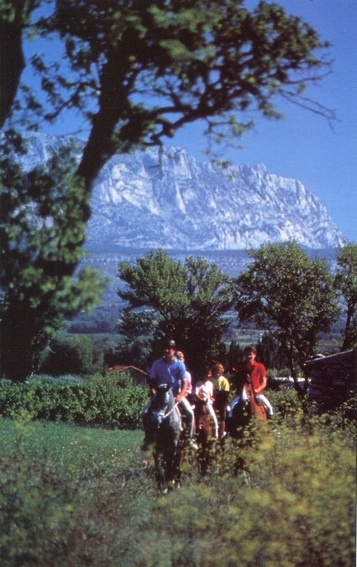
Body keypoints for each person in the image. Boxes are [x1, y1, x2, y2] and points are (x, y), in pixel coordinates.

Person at [141, 339, 198, 450]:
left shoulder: (180, 365)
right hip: (160, 394)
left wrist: (181, 395)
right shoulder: (157, 364)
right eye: (165, 348)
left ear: (173, 350)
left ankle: (189, 438)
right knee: (144, 413)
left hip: (175, 394)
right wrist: (154, 392)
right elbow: (152, 381)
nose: (166, 350)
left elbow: (184, 382)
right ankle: (148, 439)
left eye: (169, 348)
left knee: (190, 413)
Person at [229, 345, 274, 418]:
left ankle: (272, 426)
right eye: (246, 354)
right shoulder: (242, 366)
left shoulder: (260, 367)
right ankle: (230, 426)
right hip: (243, 394)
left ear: (254, 355)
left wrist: (257, 389)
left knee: (269, 408)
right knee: (231, 408)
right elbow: (234, 371)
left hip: (257, 393)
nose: (248, 356)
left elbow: (264, 382)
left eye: (250, 354)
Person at [194, 365, 219, 439]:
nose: (208, 375)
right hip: (199, 403)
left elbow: (210, 395)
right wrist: (200, 400)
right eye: (207, 373)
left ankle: (216, 433)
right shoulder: (199, 383)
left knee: (213, 416)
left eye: (209, 374)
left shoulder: (210, 384)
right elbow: (195, 394)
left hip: (208, 404)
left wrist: (212, 399)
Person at [211, 361, 230, 439]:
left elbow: (226, 392)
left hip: (222, 400)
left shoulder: (224, 380)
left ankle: (224, 430)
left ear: (221, 371)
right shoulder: (210, 379)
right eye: (216, 370)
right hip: (212, 400)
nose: (217, 372)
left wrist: (218, 394)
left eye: (219, 370)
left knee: (224, 413)